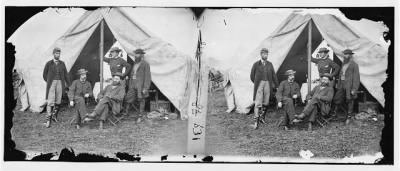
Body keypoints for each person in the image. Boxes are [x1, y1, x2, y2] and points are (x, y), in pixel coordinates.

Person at [250, 48, 279, 129]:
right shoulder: (256, 64)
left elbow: (273, 75)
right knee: (258, 102)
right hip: (259, 84)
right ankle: (256, 121)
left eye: (266, 54)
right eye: (264, 54)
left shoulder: (270, 64)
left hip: (267, 84)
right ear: (261, 54)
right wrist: (257, 83)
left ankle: (262, 118)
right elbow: (252, 76)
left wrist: (277, 85)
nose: (265, 55)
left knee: (266, 102)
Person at [43, 47, 70, 128]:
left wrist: (68, 84)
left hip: (60, 83)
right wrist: (49, 82)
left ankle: (54, 116)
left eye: (59, 53)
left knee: (58, 100)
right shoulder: (49, 63)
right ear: (53, 54)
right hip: (52, 83)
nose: (57, 55)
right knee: (50, 101)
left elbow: (65, 75)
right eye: (56, 53)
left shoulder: (62, 63)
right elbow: (44, 75)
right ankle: (48, 120)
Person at [332, 49, 360, 124]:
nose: (345, 56)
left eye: (347, 54)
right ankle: (335, 114)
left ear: (350, 55)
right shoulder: (343, 64)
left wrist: (354, 89)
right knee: (337, 98)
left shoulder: (354, 65)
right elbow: (341, 75)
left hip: (349, 85)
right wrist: (338, 84)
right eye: (344, 54)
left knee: (350, 100)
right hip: (342, 84)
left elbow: (356, 78)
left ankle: (349, 117)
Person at [123, 49, 151, 123]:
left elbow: (148, 77)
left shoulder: (145, 64)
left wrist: (145, 88)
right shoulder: (135, 63)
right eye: (135, 54)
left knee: (141, 99)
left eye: (137, 54)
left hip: (140, 85)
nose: (136, 55)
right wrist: (130, 84)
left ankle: (140, 116)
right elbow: (132, 75)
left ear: (141, 55)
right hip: (133, 83)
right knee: (128, 97)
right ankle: (126, 113)